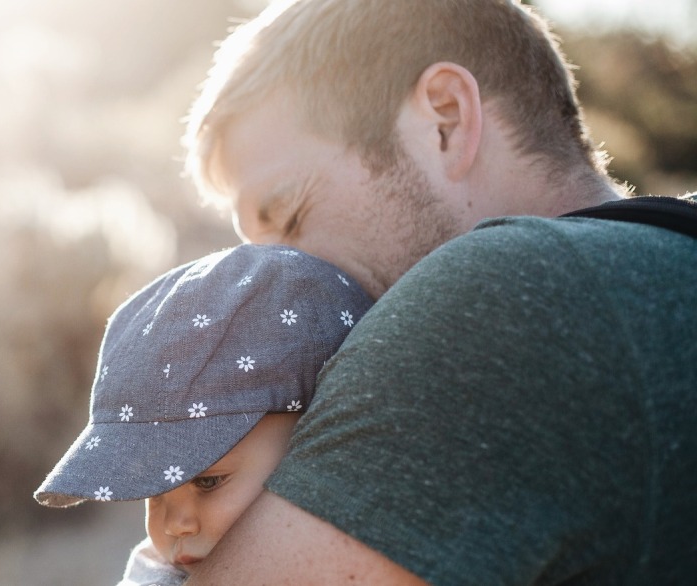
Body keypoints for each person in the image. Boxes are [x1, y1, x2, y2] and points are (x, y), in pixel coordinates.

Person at [176, 0, 697, 584]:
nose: (273, 280)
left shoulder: (495, 298)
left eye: (290, 216)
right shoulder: (668, 258)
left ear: (445, 119)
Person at [33, 244, 372, 585]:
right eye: (155, 492)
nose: (174, 525)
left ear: (318, 434)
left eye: (208, 482)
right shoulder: (155, 576)